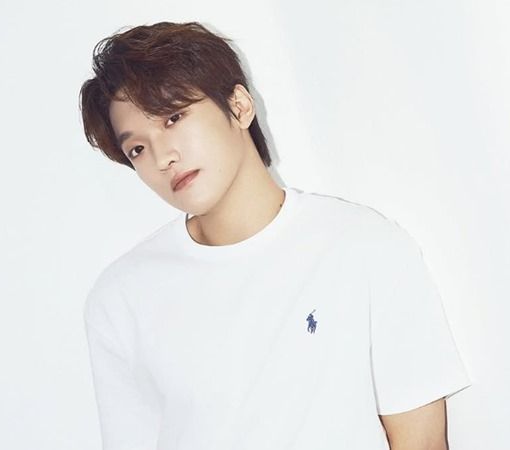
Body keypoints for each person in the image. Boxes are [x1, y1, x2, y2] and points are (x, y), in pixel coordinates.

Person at [79, 21, 472, 450]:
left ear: (240, 106)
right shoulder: (122, 296)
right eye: (137, 148)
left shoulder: (365, 247)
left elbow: (422, 442)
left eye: (173, 117)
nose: (162, 157)